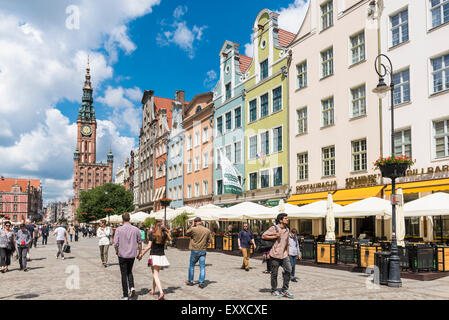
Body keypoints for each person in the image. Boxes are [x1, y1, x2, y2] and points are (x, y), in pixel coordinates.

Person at [262, 213, 293, 298]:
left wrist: (288, 253)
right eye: (286, 218)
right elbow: (263, 236)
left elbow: (287, 243)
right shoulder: (274, 228)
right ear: (280, 220)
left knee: (289, 270)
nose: (287, 219)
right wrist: (275, 236)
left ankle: (285, 289)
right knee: (274, 274)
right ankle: (274, 290)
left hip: (284, 255)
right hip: (274, 255)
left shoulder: (287, 229)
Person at [138, 222, 172, 300]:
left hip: (154, 256)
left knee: (155, 275)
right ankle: (153, 290)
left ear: (155, 227)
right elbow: (168, 234)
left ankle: (161, 292)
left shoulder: (152, 234)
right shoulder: (164, 235)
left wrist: (141, 254)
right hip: (161, 256)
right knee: (155, 274)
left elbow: (148, 246)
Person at [114, 213, 142, 300]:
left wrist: (117, 251)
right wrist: (140, 253)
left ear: (122, 219)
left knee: (123, 274)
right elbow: (140, 243)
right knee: (129, 271)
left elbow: (115, 244)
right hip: (132, 255)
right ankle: (132, 287)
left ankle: (125, 295)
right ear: (129, 219)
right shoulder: (136, 229)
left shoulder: (119, 229)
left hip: (122, 255)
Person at [185, 217, 212, 289]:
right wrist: (206, 244)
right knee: (202, 267)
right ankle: (201, 282)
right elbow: (210, 241)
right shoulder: (207, 230)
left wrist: (192, 225)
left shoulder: (193, 229)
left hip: (194, 249)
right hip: (203, 250)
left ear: (195, 222)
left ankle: (190, 281)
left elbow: (187, 232)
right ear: (201, 222)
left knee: (191, 266)